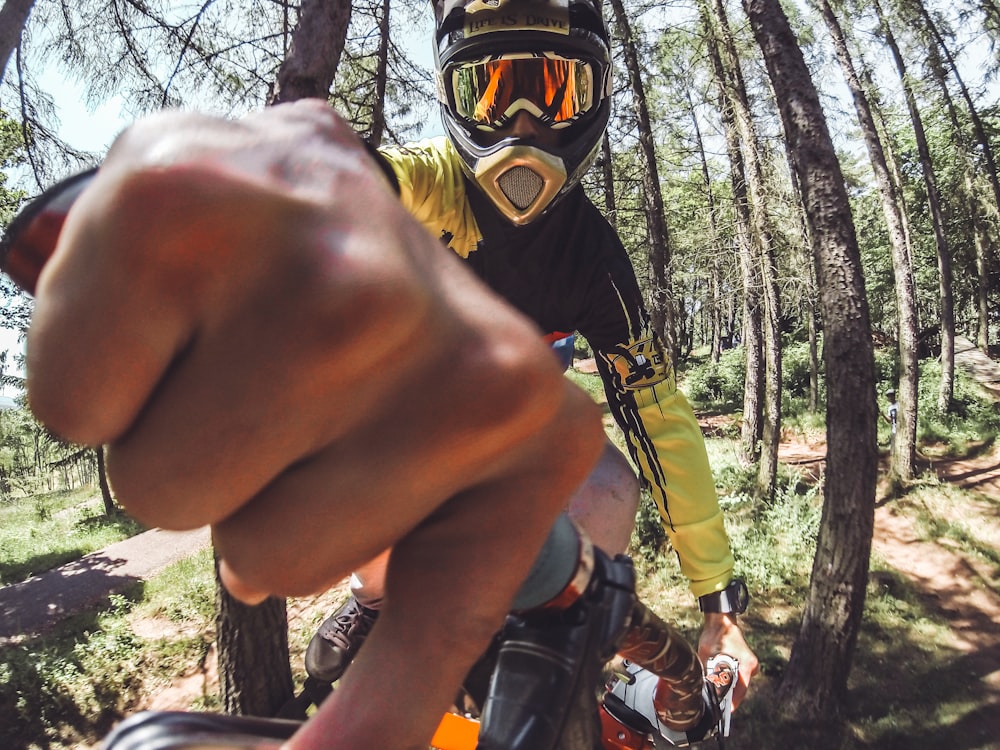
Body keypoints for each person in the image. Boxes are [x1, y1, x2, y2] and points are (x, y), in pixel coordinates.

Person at [305, 0, 758, 712]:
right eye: (490, 91)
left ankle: (566, 637)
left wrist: (719, 602)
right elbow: (362, 182)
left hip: (525, 426)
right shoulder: (431, 183)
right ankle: (376, 595)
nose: (521, 122)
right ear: (452, 99)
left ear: (593, 100)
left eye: (552, 93)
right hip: (418, 420)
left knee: (611, 489)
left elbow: (656, 413)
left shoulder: (593, 259)